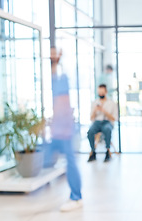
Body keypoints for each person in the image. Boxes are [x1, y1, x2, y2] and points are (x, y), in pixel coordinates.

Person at [45, 47, 83, 212]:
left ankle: (76, 197)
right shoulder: (57, 79)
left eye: (54, 53)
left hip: (65, 127)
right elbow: (54, 78)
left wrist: (61, 125)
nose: (52, 55)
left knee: (70, 161)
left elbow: (62, 104)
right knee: (51, 159)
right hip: (60, 127)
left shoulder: (64, 82)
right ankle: (76, 195)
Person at [87, 84, 118, 162]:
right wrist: (95, 110)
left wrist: (104, 111)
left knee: (107, 129)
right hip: (97, 122)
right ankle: (93, 151)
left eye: (102, 92)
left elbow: (114, 118)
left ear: (106, 92)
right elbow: (91, 118)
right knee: (90, 131)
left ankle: (107, 151)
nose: (100, 94)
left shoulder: (112, 103)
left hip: (107, 122)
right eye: (99, 92)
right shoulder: (94, 103)